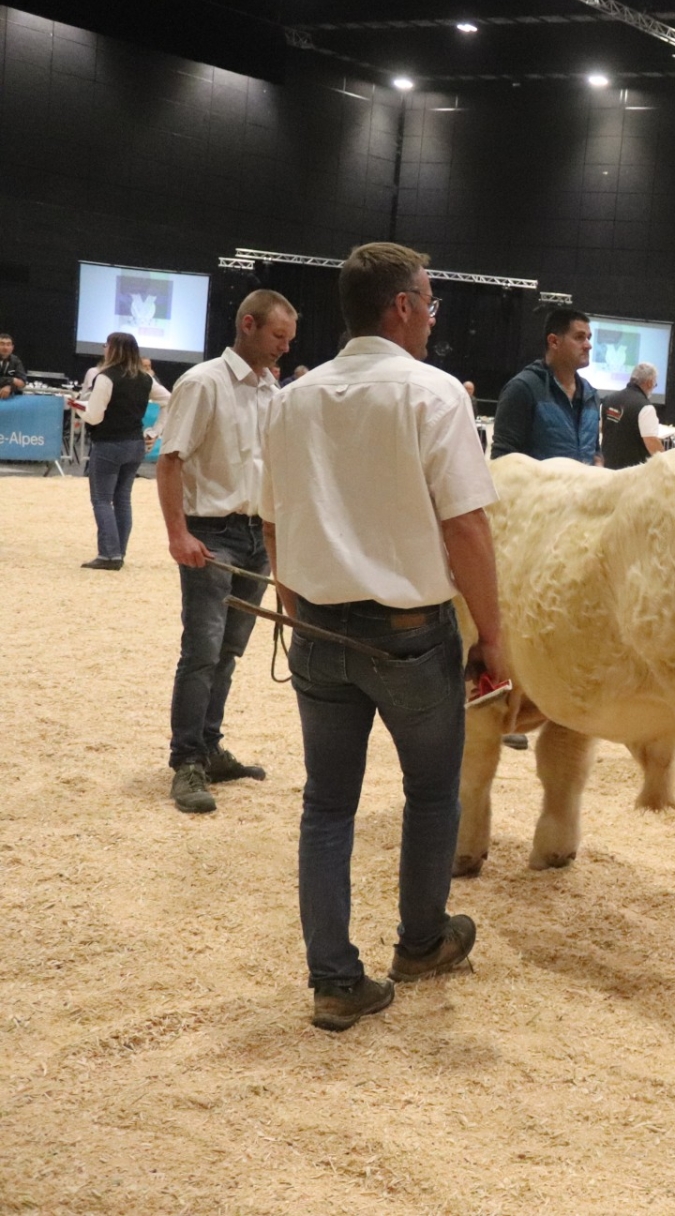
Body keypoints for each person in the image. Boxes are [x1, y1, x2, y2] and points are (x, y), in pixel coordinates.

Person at [261, 242, 508, 1033]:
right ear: (400, 305)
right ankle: (422, 941)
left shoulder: (294, 398)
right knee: (431, 791)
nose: (433, 318)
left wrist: (296, 605)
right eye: (429, 302)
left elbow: (273, 520)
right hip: (407, 632)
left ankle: (334, 981)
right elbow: (467, 528)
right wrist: (494, 636)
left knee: (326, 806)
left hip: (319, 627)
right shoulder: (432, 394)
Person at [157, 289, 297, 813]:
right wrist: (177, 533)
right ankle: (186, 760)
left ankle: (210, 746)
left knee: (230, 651)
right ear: (248, 324)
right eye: (278, 337)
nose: (284, 348)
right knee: (202, 651)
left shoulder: (270, 389)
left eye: (289, 339)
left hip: (256, 533)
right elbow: (170, 462)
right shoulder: (202, 382)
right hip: (211, 535)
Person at [76, 333, 154, 572]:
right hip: (134, 444)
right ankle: (119, 551)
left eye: (106, 345)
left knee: (101, 499)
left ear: (113, 349)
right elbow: (170, 399)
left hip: (109, 443)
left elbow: (95, 416)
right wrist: (156, 430)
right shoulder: (145, 378)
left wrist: (78, 409)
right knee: (122, 499)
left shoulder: (106, 377)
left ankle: (109, 554)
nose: (104, 349)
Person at [491, 308, 599, 463]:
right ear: (554, 341)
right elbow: (503, 461)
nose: (588, 345)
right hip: (536, 487)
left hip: (584, 487)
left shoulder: (591, 394)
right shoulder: (523, 388)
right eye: (579, 337)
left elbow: (595, 451)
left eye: (588, 338)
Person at [599, 363, 662, 470]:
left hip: (607, 469)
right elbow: (651, 442)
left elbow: (601, 428)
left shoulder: (608, 399)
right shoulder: (646, 408)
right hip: (632, 474)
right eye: (655, 384)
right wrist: (666, 462)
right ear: (649, 383)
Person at [0, 332, 24, 398]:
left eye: (8, 344)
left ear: (12, 347)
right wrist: (12, 380)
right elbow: (16, 381)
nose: (5, 347)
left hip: (10, 399)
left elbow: (22, 382)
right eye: (2, 344)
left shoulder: (16, 360)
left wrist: (9, 386)